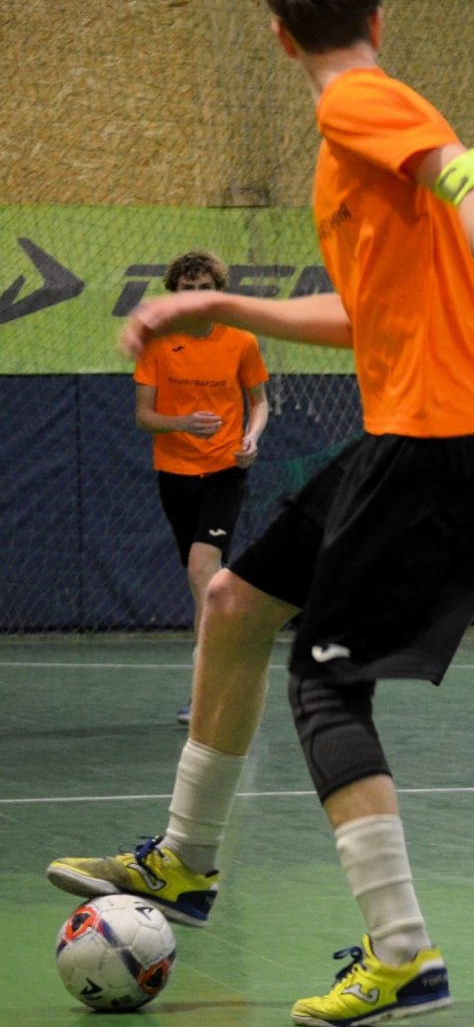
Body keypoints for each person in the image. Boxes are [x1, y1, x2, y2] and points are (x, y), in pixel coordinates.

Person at [47, 0, 474, 1027]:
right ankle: (186, 859)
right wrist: (219, 305)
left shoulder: (359, 104)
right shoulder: (351, 147)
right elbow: (365, 317)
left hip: (439, 444)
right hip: (403, 432)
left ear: (278, 38)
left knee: (325, 685)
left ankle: (403, 954)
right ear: (378, 17)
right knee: (233, 602)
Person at [134, 250, 269, 724]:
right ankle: (229, 654)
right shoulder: (157, 344)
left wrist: (251, 438)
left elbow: (259, 403)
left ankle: (208, 693)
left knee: (201, 571)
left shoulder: (241, 340)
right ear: (175, 294)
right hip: (175, 474)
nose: (195, 296)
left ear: (218, 291)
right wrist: (183, 422)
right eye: (187, 289)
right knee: (204, 586)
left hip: (225, 472)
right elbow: (144, 416)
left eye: (204, 287)